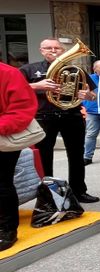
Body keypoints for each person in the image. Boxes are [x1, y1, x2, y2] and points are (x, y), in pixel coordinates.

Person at [19, 38, 100, 203]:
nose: (53, 51)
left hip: (72, 116)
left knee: (77, 155)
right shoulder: (29, 69)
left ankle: (79, 191)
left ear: (63, 51)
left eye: (57, 48)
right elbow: (15, 89)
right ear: (41, 50)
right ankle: (47, 194)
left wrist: (87, 96)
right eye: (48, 48)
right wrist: (37, 86)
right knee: (44, 157)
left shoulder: (75, 70)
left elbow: (93, 95)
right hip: (44, 117)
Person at [0, 61, 38, 251]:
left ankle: (6, 229)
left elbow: (22, 110)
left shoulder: (8, 73)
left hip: (2, 138)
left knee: (1, 183)